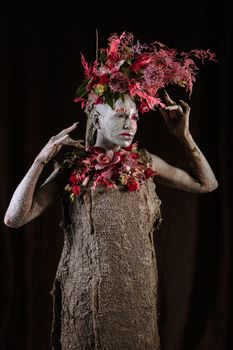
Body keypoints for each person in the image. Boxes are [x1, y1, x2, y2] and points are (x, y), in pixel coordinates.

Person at [4, 32, 218, 349]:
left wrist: (183, 137)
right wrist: (41, 160)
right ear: (97, 117)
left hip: (137, 300)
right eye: (120, 115)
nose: (130, 123)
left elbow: (207, 184)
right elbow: (15, 217)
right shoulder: (72, 170)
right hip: (85, 304)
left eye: (133, 116)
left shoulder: (147, 164)